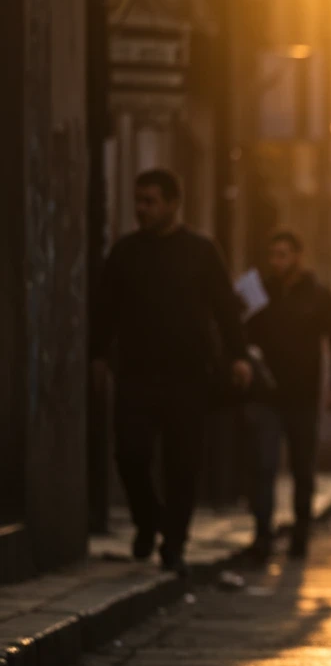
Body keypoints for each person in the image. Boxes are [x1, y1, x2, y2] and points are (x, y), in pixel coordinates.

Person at [90, 169, 252, 576]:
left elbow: (225, 307)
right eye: (138, 201)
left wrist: (238, 356)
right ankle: (148, 520)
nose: (142, 209)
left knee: (183, 463)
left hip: (188, 377)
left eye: (151, 201)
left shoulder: (200, 251)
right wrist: (97, 356)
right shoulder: (125, 252)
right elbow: (104, 309)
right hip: (136, 375)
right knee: (130, 454)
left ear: (173, 204)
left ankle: (174, 541)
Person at [243, 230, 331, 561]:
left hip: (303, 397)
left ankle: (300, 535)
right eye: (273, 255)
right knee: (264, 465)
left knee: (303, 469)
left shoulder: (318, 295)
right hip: (267, 395)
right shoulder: (260, 293)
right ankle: (262, 536)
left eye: (283, 255)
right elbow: (240, 330)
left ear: (298, 257)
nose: (277, 262)